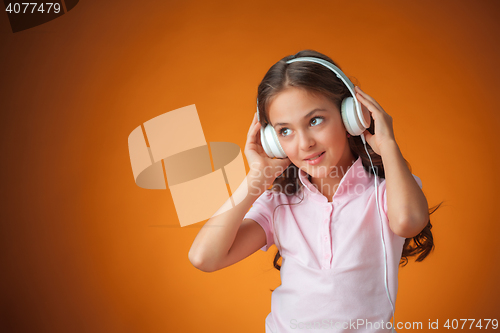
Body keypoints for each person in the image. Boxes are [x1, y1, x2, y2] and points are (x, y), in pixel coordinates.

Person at [188, 49, 442, 332]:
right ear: (273, 142)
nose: (304, 143)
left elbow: (408, 222)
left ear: (350, 118)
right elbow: (204, 258)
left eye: (315, 121)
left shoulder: (388, 192)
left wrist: (388, 145)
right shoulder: (279, 205)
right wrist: (257, 177)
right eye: (285, 131)